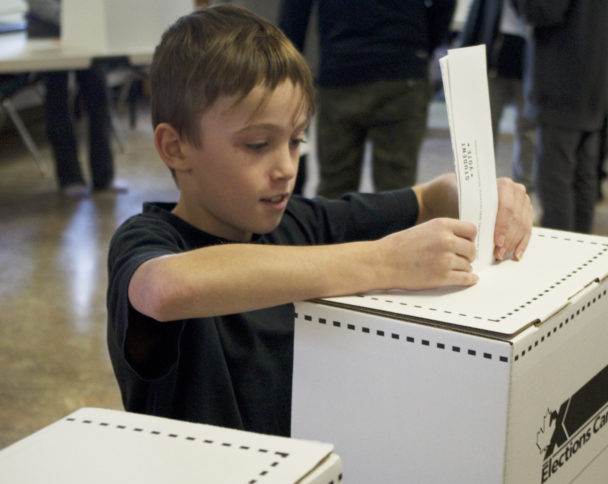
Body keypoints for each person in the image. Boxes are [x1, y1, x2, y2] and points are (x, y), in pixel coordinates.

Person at [106, 5, 533, 437]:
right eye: (257, 145)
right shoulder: (148, 240)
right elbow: (163, 289)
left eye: (295, 141)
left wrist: (488, 192)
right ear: (175, 147)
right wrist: (384, 262)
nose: (286, 168)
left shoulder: (298, 223)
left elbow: (430, 195)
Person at [278, 0, 456, 198]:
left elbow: (295, 11)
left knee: (335, 188)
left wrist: (287, 68)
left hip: (341, 65)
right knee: (396, 190)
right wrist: (423, 45)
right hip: (402, 66)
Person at [511, 0, 608, 233]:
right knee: (583, 177)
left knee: (556, 181)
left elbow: (542, 11)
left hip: (563, 81)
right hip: (596, 75)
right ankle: (581, 251)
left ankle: (560, 259)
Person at [26, 0, 123, 197]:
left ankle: (104, 177)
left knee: (99, 99)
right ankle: (70, 178)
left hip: (85, 32)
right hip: (48, 32)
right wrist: (74, 20)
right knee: (57, 103)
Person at [458, 0, 535, 193]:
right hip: (494, 57)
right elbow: (477, 13)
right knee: (483, 130)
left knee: (528, 132)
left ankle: (523, 193)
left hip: (531, 62)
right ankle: (479, 194)